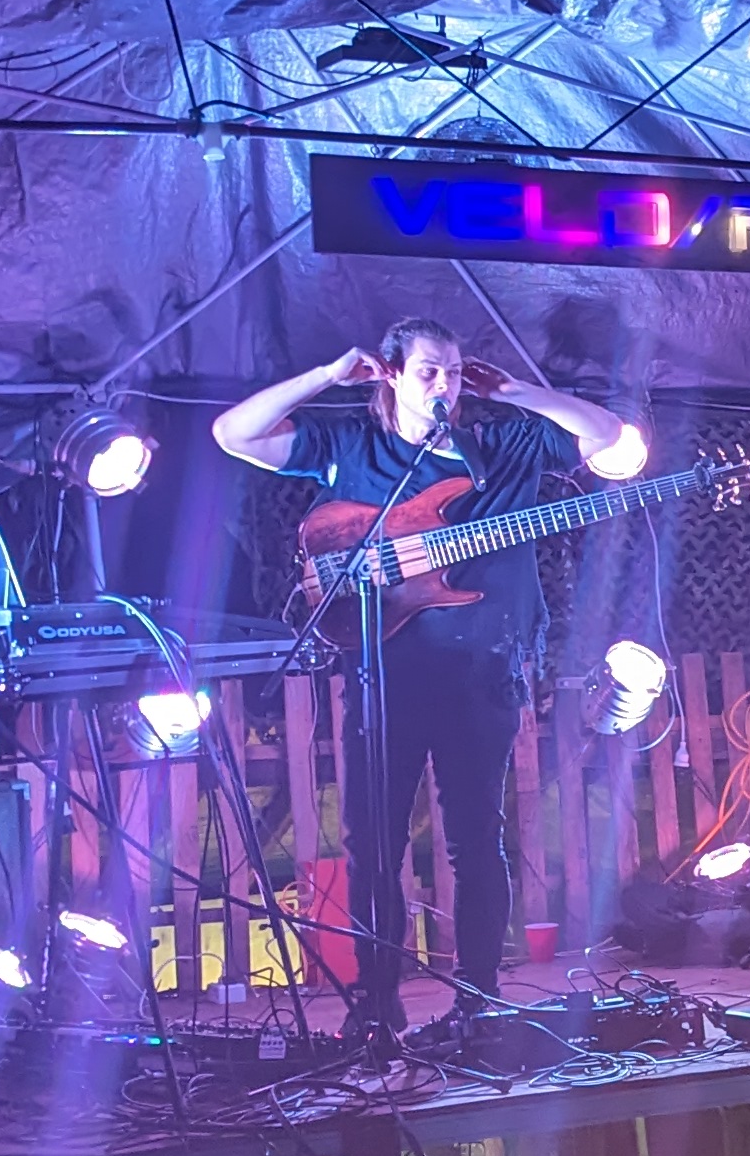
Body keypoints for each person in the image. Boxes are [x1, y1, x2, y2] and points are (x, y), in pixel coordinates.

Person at [212, 317, 634, 1038]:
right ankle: (377, 1003)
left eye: (454, 371)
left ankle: (478, 999)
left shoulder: (505, 444)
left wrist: (519, 392)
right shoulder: (353, 446)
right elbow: (234, 434)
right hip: (384, 676)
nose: (445, 385)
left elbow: (607, 436)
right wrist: (325, 376)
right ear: (393, 374)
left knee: (476, 840)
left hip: (483, 671)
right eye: (429, 371)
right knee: (372, 846)